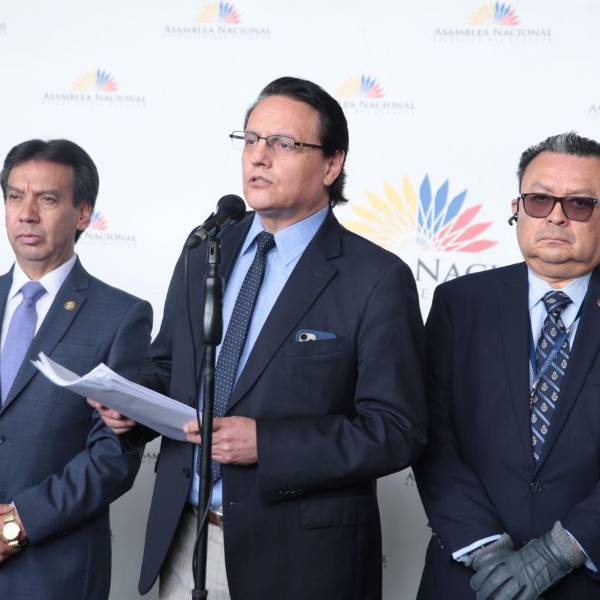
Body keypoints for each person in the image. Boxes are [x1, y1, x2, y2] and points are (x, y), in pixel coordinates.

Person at [96, 76, 427, 600]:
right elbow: (169, 366)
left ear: (331, 164)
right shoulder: (206, 249)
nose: (259, 156)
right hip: (186, 539)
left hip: (300, 561)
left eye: (283, 143)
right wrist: (131, 405)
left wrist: (267, 445)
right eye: (250, 139)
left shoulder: (375, 278)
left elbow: (396, 429)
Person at [415, 132, 600, 599]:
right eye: (539, 200)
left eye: (580, 204)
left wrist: (562, 550)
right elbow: (429, 435)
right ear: (516, 209)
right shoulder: (459, 303)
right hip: (470, 581)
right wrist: (484, 548)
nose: (555, 216)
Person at [0, 139, 152, 600]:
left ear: (83, 214)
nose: (27, 214)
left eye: (47, 199)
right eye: (14, 196)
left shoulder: (121, 316)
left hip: (52, 569)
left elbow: (114, 455)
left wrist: (19, 523)